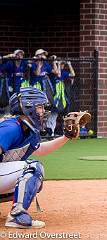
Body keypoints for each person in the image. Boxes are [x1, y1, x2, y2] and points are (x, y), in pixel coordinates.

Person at [0, 87, 71, 228]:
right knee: (32, 168)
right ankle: (17, 216)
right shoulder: (12, 127)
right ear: (27, 108)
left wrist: (66, 137)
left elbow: (41, 149)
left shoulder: (28, 130)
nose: (43, 111)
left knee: (32, 181)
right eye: (39, 107)